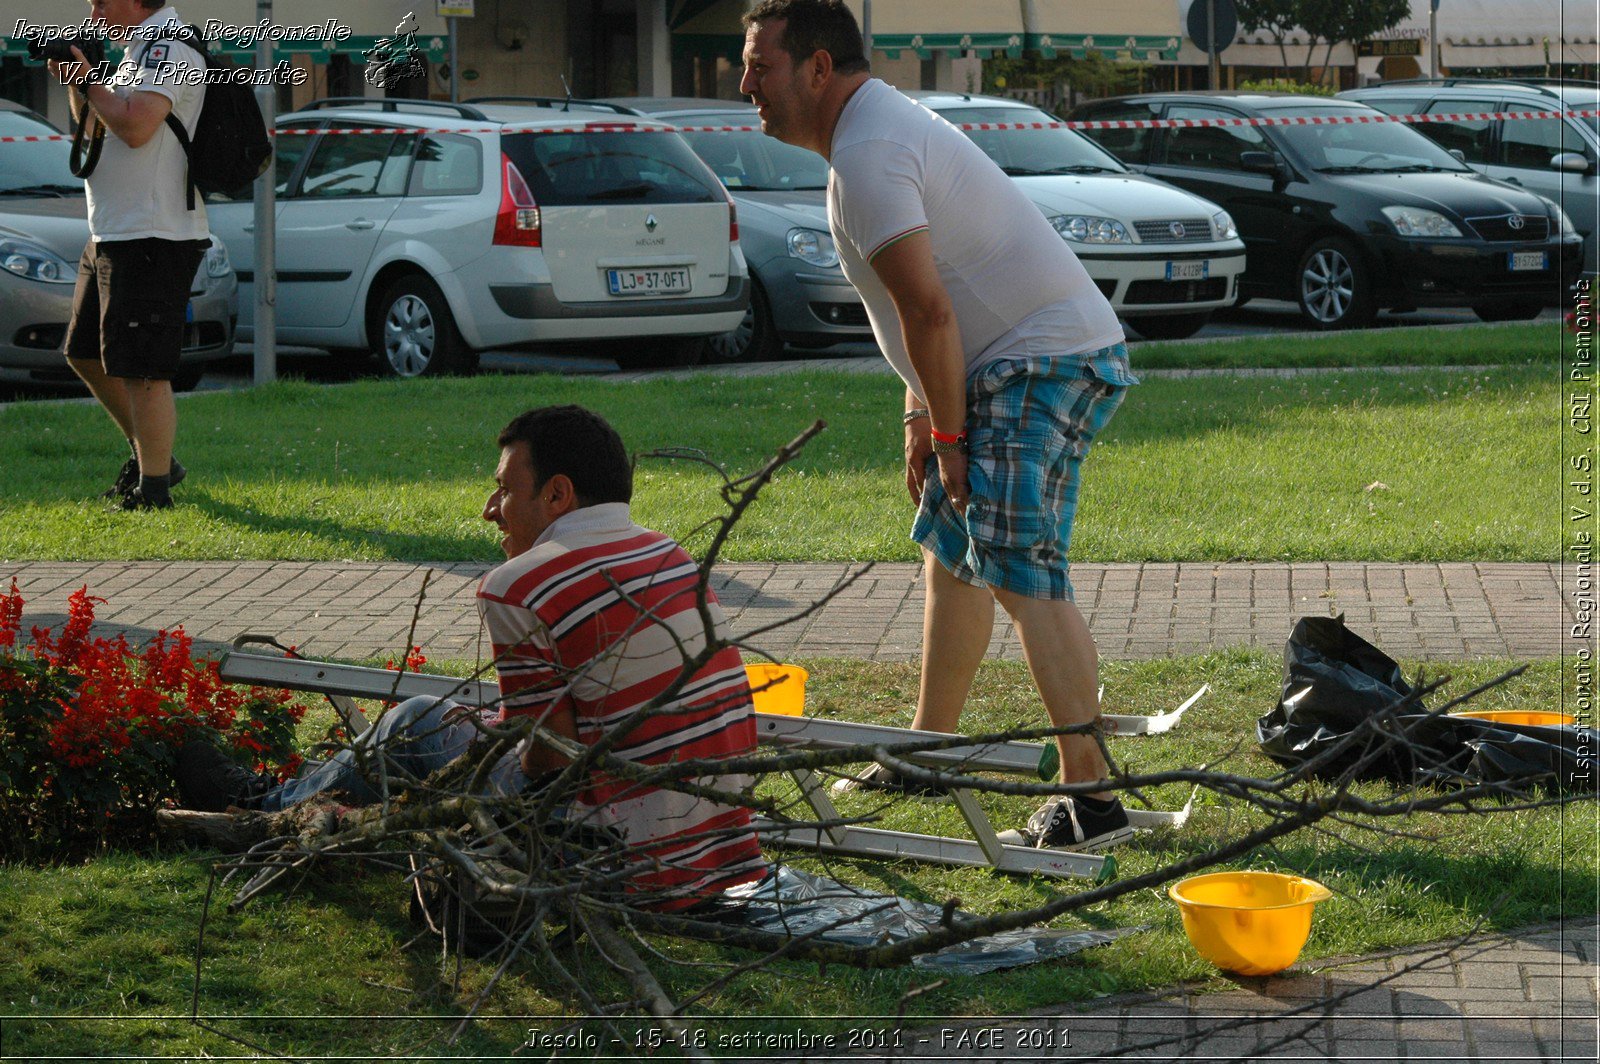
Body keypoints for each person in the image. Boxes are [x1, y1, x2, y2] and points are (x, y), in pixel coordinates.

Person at [740, 0, 1138, 852]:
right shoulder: (868, 141)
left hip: (1042, 358)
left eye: (759, 67)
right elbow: (919, 304)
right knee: (954, 554)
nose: (746, 87)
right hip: (1014, 358)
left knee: (1025, 574)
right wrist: (923, 412)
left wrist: (952, 439)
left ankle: (1093, 803)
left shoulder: (871, 153)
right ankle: (928, 753)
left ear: (817, 68)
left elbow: (929, 307)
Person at [179, 405, 768, 911]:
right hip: (713, 853)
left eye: (506, 489)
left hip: (615, 863)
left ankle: (267, 808)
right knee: (447, 727)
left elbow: (547, 762)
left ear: (557, 493)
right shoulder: (669, 553)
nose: (491, 508)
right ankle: (307, 794)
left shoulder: (521, 582)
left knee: (413, 721)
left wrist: (486, 745)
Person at [49, 0, 209, 509]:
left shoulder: (170, 49)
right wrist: (82, 79)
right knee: (84, 353)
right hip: (112, 230)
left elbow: (137, 128)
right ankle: (152, 460)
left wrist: (87, 76)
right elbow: (99, 126)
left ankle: (154, 491)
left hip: (153, 233)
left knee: (143, 369)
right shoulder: (133, 52)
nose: (91, 7)